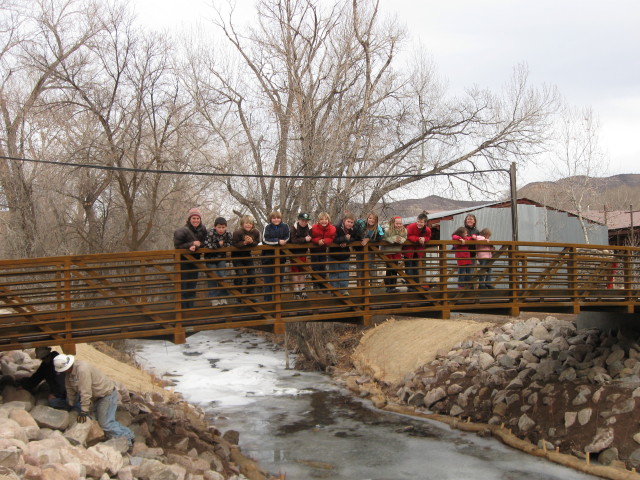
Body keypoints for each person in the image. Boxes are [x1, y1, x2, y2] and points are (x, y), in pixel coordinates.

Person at [54, 354, 135, 446]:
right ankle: (122, 434)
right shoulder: (69, 374)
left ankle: (127, 437)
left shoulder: (82, 370)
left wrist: (84, 411)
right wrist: (71, 403)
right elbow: (70, 389)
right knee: (94, 420)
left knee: (105, 423)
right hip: (96, 398)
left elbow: (85, 392)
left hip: (107, 395)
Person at [173, 208, 207, 309]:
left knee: (192, 287)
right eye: (193, 218)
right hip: (183, 262)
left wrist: (198, 246)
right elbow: (177, 246)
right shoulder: (181, 231)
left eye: (197, 218)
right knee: (183, 287)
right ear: (189, 219)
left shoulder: (203, 229)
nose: (196, 220)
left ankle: (190, 310)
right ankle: (182, 312)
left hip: (195, 261)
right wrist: (190, 245)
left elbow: (205, 242)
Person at [262, 211, 290, 302]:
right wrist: (278, 242)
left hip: (281, 258)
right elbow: (265, 239)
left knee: (279, 281)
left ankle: (278, 302)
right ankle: (268, 302)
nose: (276, 219)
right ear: (271, 219)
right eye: (274, 218)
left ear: (281, 218)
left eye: (278, 218)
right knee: (268, 282)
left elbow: (287, 237)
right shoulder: (267, 227)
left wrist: (283, 241)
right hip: (267, 258)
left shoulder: (285, 226)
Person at [328, 213, 358, 295]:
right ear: (344, 221)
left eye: (352, 222)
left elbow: (354, 238)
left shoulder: (353, 229)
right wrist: (344, 239)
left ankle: (344, 290)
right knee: (334, 273)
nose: (350, 224)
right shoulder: (336, 227)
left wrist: (346, 241)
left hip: (345, 254)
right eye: (348, 221)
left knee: (344, 272)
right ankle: (334, 290)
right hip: (334, 254)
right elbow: (333, 239)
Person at [205, 217, 233, 306]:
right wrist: (218, 245)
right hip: (210, 259)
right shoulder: (210, 233)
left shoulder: (228, 234)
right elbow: (208, 245)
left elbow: (230, 243)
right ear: (215, 227)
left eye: (223, 227)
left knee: (222, 276)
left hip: (221, 258)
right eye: (219, 227)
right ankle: (213, 298)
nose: (221, 229)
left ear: (226, 227)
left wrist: (223, 245)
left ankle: (223, 297)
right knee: (213, 277)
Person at [231, 215, 261, 295]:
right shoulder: (237, 233)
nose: (248, 225)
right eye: (246, 223)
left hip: (248, 255)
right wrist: (244, 243)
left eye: (250, 223)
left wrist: (251, 242)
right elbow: (234, 244)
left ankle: (249, 294)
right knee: (240, 274)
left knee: (252, 274)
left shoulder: (255, 232)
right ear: (242, 224)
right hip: (237, 256)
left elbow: (257, 242)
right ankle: (238, 294)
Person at [403, 212, 432, 291]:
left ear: (425, 223)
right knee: (408, 269)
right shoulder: (411, 226)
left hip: (417, 252)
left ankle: (417, 286)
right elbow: (408, 236)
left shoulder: (427, 230)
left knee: (416, 269)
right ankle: (410, 287)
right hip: (408, 251)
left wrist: (424, 239)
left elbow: (428, 237)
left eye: (421, 222)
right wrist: (418, 239)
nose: (419, 223)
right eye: (418, 221)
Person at [353, 212, 384, 281]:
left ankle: (369, 286)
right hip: (360, 249)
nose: (371, 220)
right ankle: (360, 286)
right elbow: (356, 235)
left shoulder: (378, 228)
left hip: (370, 250)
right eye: (370, 218)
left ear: (376, 220)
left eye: (374, 219)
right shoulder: (361, 226)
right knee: (359, 267)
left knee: (369, 267)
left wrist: (369, 239)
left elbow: (380, 238)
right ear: (367, 218)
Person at [310, 212, 336, 292]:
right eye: (321, 219)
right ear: (318, 220)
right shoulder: (313, 228)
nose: (324, 221)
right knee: (315, 268)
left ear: (328, 220)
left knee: (322, 267)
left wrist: (324, 241)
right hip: (314, 250)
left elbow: (332, 238)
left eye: (326, 219)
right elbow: (310, 237)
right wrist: (317, 241)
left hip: (323, 250)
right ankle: (316, 285)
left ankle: (323, 286)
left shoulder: (332, 228)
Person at [290, 213, 312, 299]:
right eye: (303, 220)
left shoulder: (309, 228)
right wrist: (304, 239)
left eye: (306, 221)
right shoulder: (293, 228)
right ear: (299, 219)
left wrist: (309, 240)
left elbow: (311, 238)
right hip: (293, 253)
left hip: (303, 253)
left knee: (302, 271)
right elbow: (293, 240)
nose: (304, 222)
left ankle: (302, 289)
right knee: (295, 271)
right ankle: (296, 290)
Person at [382, 216, 407, 293]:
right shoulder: (387, 230)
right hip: (388, 251)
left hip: (397, 251)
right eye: (397, 223)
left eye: (400, 223)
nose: (398, 225)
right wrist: (394, 239)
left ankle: (393, 286)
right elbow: (384, 238)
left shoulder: (404, 230)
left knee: (395, 269)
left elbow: (405, 238)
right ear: (393, 223)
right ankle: (388, 287)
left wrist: (400, 240)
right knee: (389, 268)